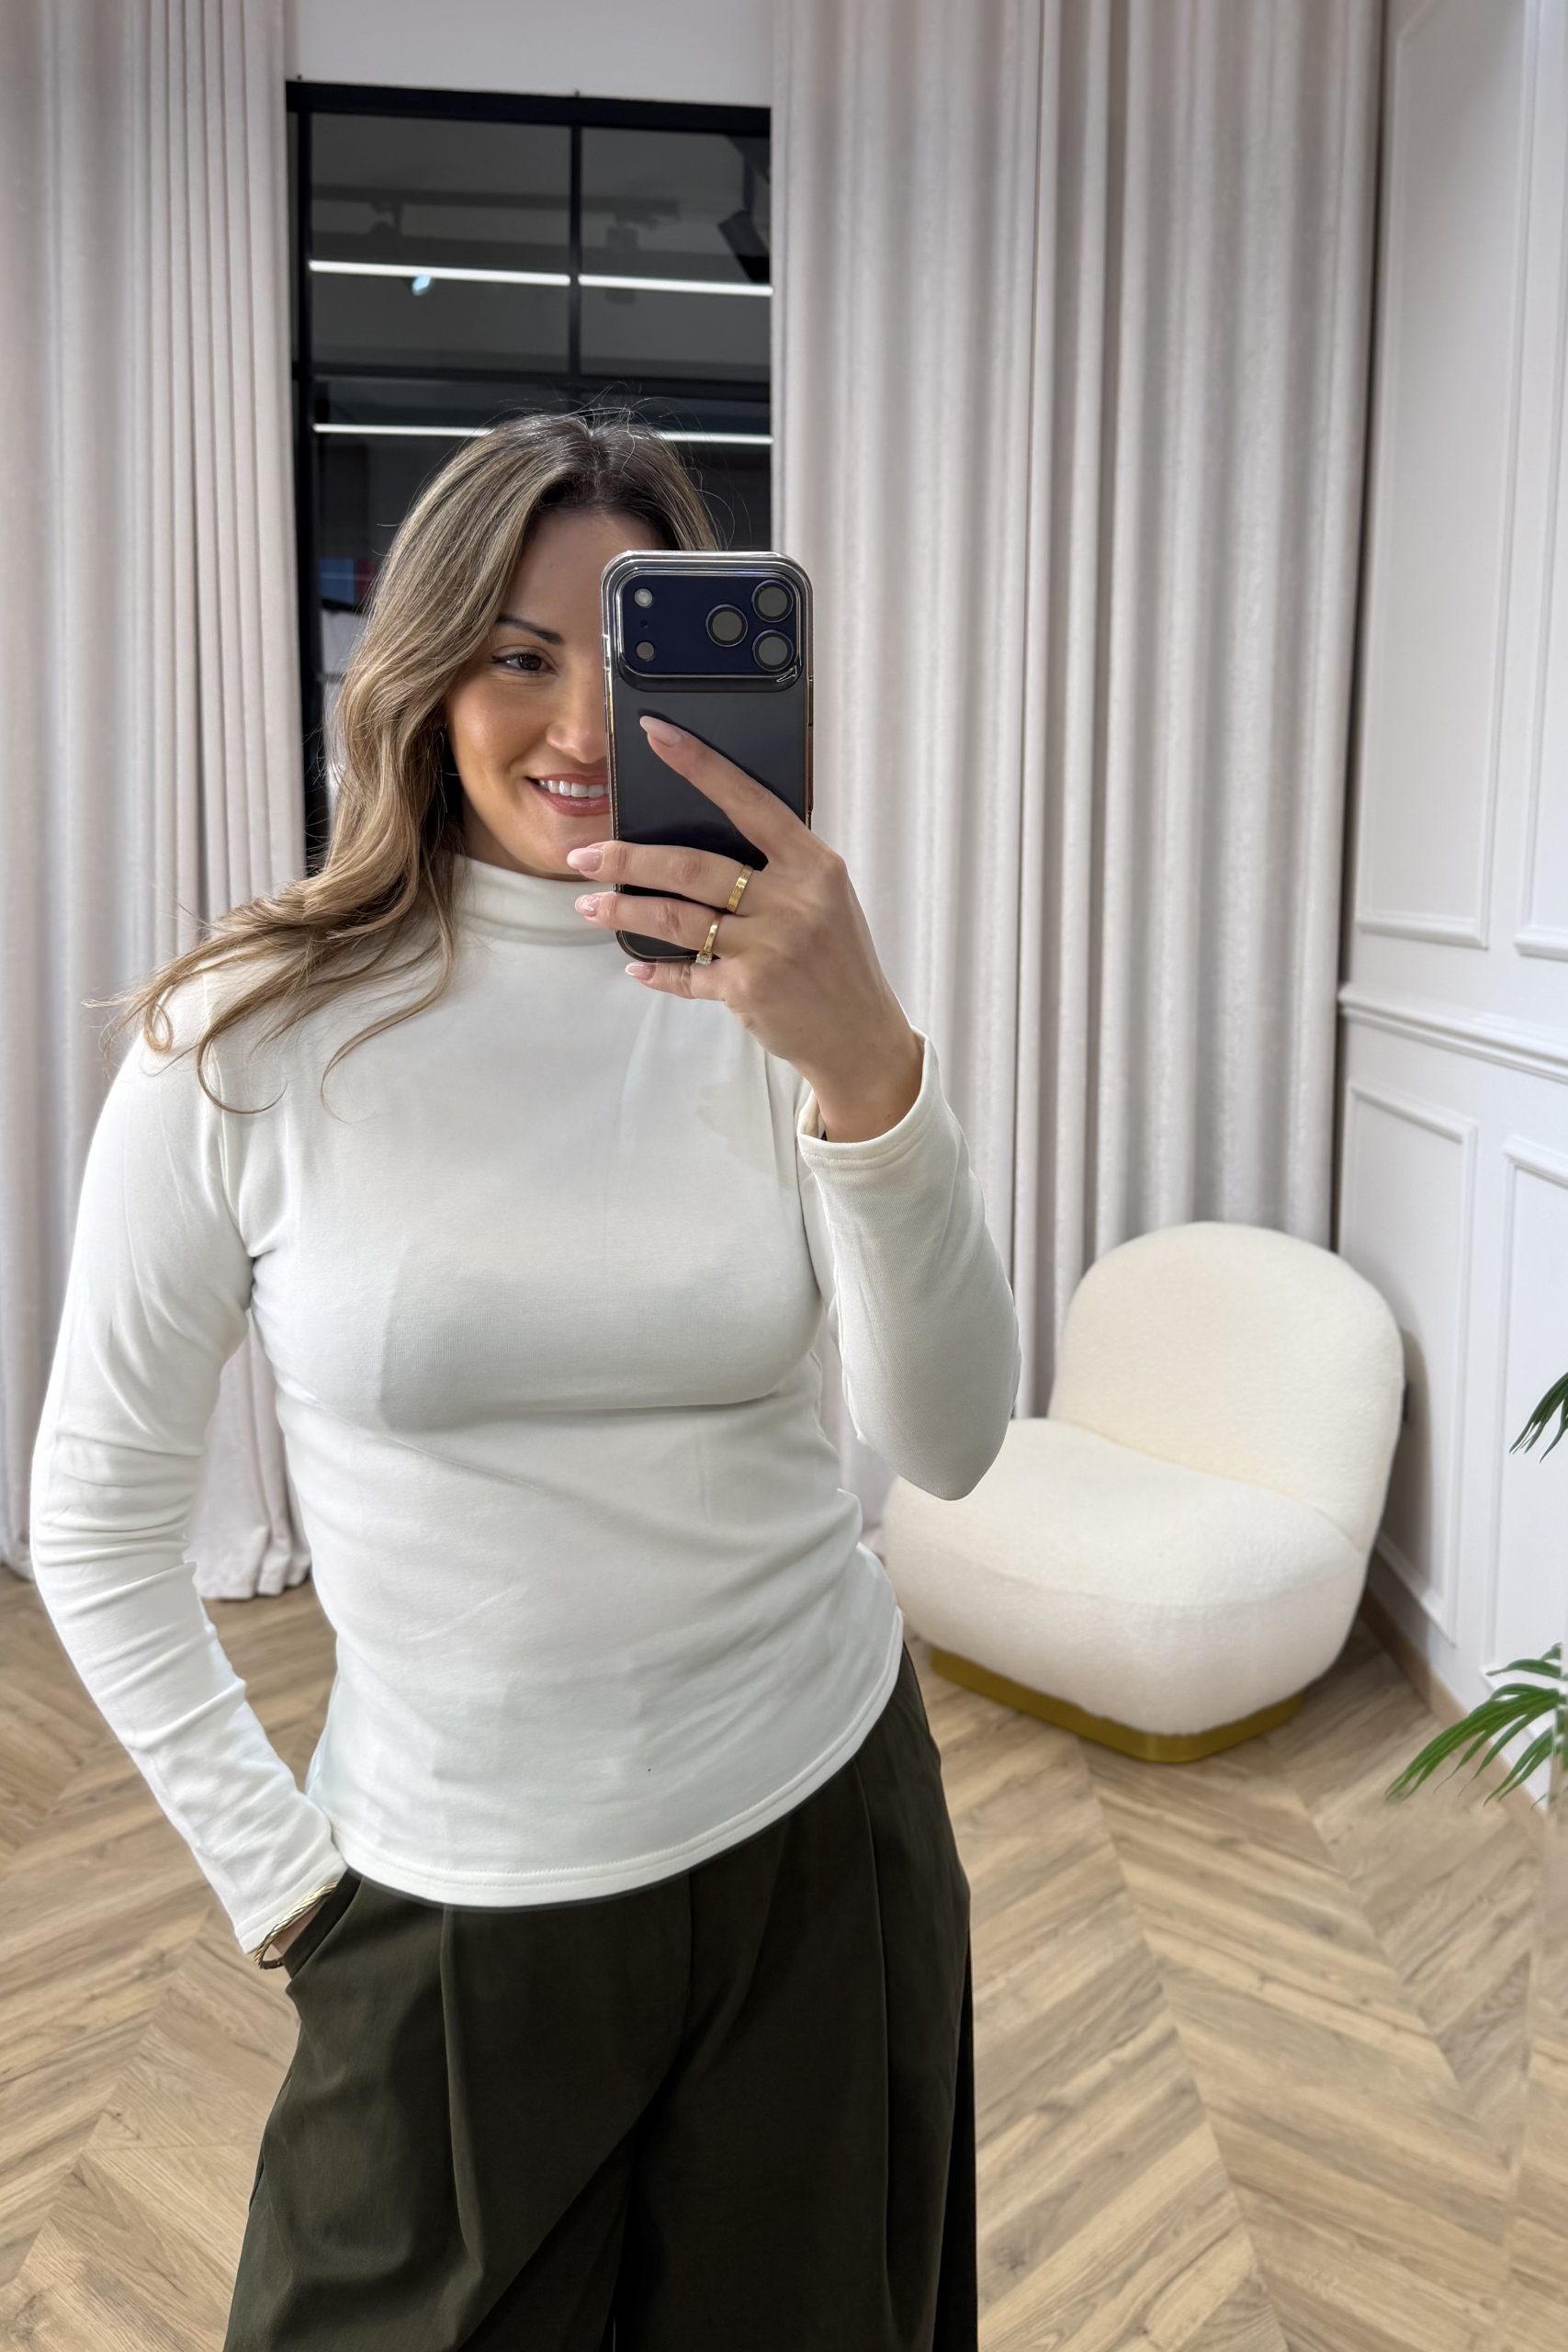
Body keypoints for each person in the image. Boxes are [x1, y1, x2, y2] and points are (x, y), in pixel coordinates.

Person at [28, 410, 1021, 2351]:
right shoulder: (248, 1034)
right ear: (419, 674)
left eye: (626, 660)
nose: (580, 725)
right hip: (437, 1897)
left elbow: (952, 1440)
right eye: (517, 652)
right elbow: (99, 1516)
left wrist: (866, 1068)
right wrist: (284, 1884)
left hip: (818, 1841)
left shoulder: (780, 994)